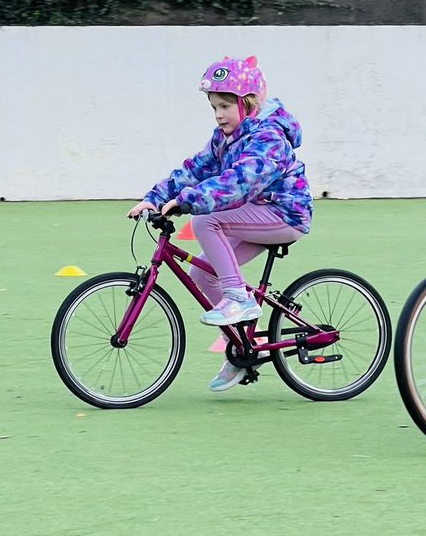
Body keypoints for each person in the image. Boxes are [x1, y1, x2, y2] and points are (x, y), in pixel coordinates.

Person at [127, 55, 312, 392]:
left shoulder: (269, 136)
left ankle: (238, 299)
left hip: (285, 214)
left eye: (225, 105)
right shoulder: (224, 137)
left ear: (249, 103)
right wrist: (154, 197)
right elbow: (195, 169)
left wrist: (189, 200)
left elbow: (239, 182)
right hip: (255, 214)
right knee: (202, 274)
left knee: (206, 222)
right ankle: (244, 347)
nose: (218, 114)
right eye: (214, 106)